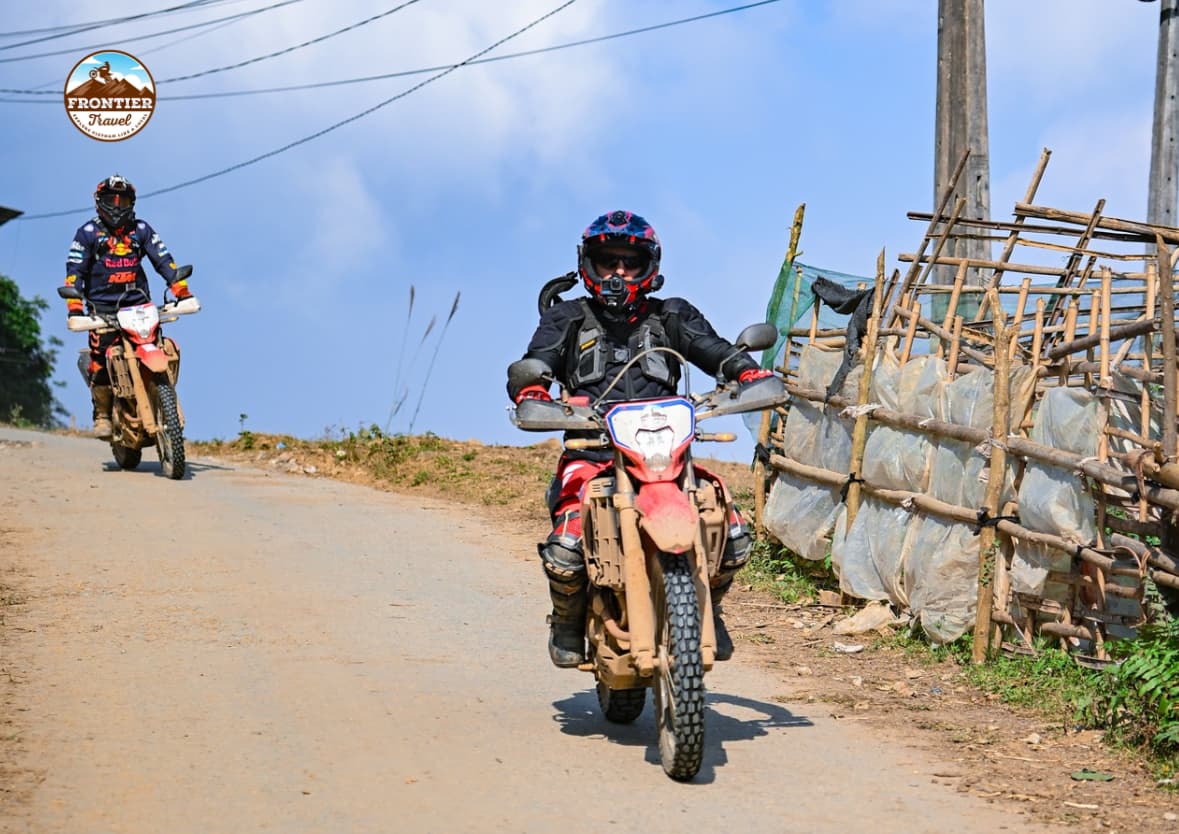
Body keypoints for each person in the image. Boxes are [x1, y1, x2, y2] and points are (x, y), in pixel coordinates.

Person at [506, 209, 773, 668]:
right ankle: (567, 622)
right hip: (591, 452)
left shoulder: (671, 314)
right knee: (567, 544)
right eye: (608, 261)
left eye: (630, 262)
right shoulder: (567, 317)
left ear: (650, 266)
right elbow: (537, 362)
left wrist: (747, 371)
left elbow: (714, 351)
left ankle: (711, 609)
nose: (619, 272)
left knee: (733, 532)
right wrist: (533, 390)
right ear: (588, 265)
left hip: (664, 454)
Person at [63, 175, 193, 439]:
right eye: (112, 199)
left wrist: (183, 292)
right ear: (100, 202)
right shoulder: (87, 233)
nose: (118, 205)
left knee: (163, 349)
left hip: (140, 307)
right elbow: (74, 272)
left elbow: (164, 261)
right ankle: (102, 414)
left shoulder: (141, 230)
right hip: (103, 312)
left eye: (123, 200)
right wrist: (75, 309)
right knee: (99, 361)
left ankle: (160, 398)